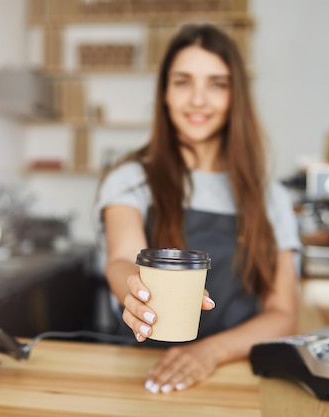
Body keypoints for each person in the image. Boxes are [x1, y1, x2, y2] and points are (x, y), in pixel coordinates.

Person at [93, 23, 301, 394]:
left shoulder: (271, 198)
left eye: (217, 84)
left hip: (236, 376)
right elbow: (122, 257)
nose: (198, 100)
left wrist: (210, 352)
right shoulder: (130, 179)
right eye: (183, 82)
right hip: (145, 376)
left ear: (235, 96)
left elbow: (283, 313)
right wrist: (133, 290)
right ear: (165, 95)